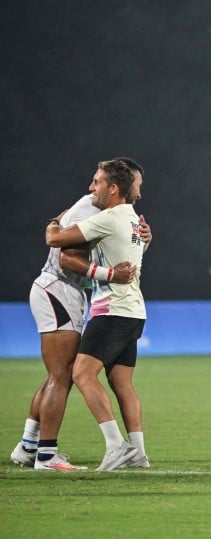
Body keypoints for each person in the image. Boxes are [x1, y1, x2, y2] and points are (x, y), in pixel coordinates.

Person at [12, 159, 148, 471]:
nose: (138, 193)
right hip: (57, 288)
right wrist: (110, 273)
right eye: (137, 186)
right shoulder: (96, 210)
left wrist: (141, 240)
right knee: (65, 375)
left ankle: (29, 445)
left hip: (74, 294)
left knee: (60, 375)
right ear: (119, 188)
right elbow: (64, 256)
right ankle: (46, 456)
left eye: (96, 181)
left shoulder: (116, 216)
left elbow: (67, 223)